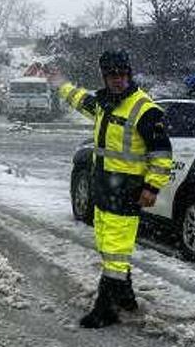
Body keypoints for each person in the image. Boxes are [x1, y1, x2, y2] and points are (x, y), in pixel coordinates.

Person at [57, 50, 173, 328]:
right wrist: (59, 84)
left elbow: (162, 153)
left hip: (126, 192)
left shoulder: (144, 109)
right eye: (112, 75)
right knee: (108, 247)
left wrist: (152, 187)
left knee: (116, 252)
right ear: (104, 77)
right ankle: (125, 296)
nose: (118, 80)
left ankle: (105, 309)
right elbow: (80, 99)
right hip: (104, 189)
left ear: (129, 74)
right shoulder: (104, 104)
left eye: (122, 74)